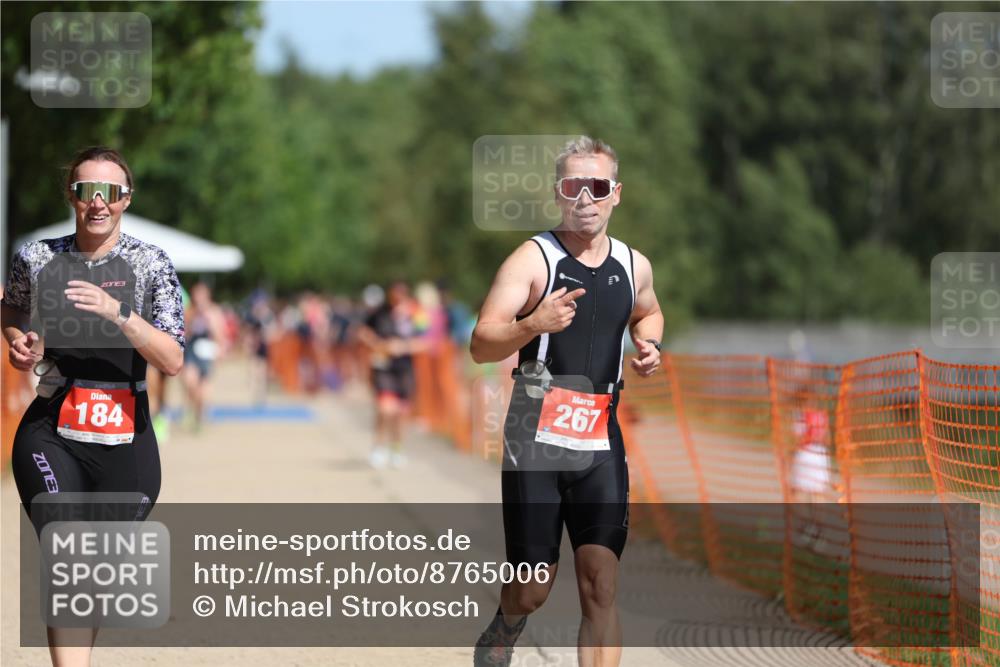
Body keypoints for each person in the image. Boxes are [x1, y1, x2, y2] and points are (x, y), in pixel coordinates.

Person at [469, 137, 663, 667]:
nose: (585, 198)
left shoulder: (633, 264)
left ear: (616, 194)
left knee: (600, 584)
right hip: (535, 429)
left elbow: (649, 312)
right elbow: (482, 341)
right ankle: (507, 626)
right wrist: (533, 324)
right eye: (573, 186)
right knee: (532, 588)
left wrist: (650, 346)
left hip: (600, 433)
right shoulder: (534, 259)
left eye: (597, 187)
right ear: (558, 193)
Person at [1, 146, 184, 666]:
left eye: (109, 192)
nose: (97, 203)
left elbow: (171, 358)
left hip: (126, 435)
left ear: (126, 199)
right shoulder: (37, 258)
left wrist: (118, 312)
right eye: (86, 191)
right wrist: (19, 340)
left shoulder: (151, 264)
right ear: (72, 197)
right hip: (51, 430)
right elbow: (11, 306)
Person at [356, 282, 428, 469]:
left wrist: (403, 347)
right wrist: (379, 344)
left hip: (404, 369)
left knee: (401, 413)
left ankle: (397, 448)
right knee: (385, 409)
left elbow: (426, 341)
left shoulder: (416, 314)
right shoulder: (380, 313)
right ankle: (378, 448)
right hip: (383, 368)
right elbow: (362, 331)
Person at [181, 281, 225, 431]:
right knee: (189, 382)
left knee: (203, 390)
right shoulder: (190, 311)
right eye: (196, 295)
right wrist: (192, 320)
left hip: (207, 353)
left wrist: (209, 322)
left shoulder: (214, 312)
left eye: (201, 294)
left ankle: (200, 414)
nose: (198, 298)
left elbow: (220, 336)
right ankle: (193, 410)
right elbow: (183, 334)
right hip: (192, 350)